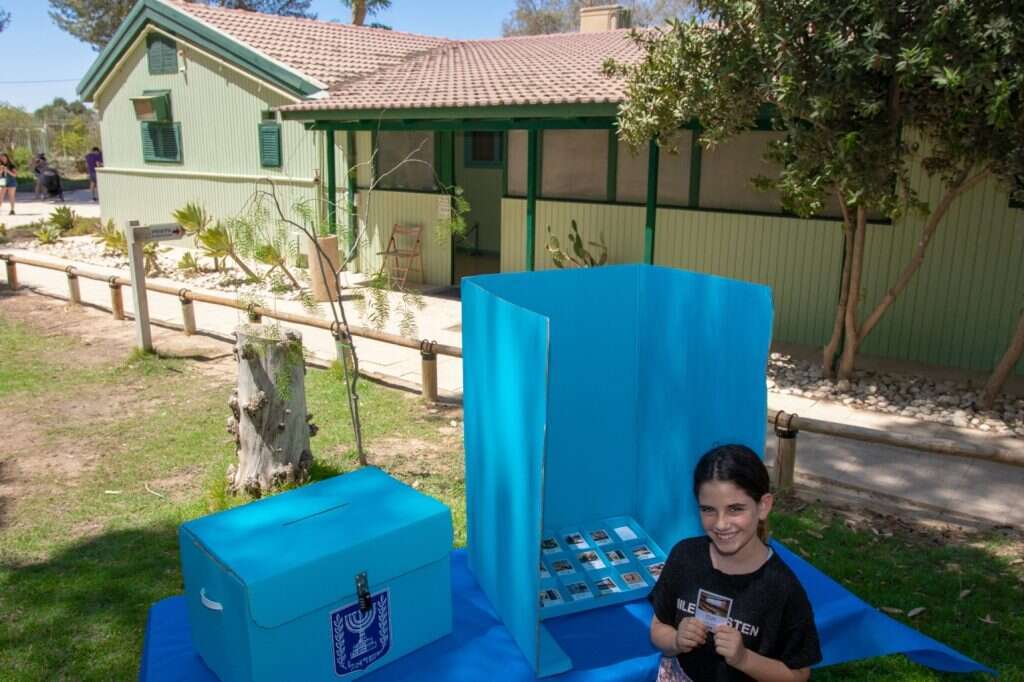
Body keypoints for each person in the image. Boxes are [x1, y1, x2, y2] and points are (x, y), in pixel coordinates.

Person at [648, 444, 821, 681]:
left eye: (735, 509)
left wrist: (744, 659)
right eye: (708, 509)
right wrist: (676, 641)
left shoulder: (783, 589)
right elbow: (658, 628)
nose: (721, 524)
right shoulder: (684, 557)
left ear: (763, 506)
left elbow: (798, 675)